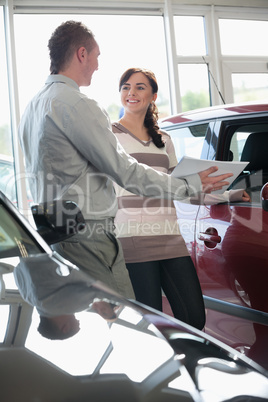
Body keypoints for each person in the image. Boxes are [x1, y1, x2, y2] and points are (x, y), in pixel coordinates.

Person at [18, 21, 232, 301]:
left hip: (55, 230)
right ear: (82, 54)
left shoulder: (33, 106)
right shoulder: (77, 104)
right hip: (88, 233)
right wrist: (190, 184)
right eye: (96, 56)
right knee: (125, 319)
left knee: (93, 315)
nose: (97, 65)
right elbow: (125, 171)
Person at [112, 67, 250, 329]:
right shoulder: (110, 136)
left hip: (170, 239)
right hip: (133, 240)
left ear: (153, 95)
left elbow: (183, 188)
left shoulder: (164, 139)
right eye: (126, 87)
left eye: (140, 87)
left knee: (194, 318)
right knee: (149, 324)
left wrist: (229, 194)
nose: (131, 92)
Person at [14, 254, 123, 340]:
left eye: (77, 323)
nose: (78, 320)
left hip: (61, 244)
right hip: (28, 244)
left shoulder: (63, 307)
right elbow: (17, 270)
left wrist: (114, 305)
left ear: (65, 328)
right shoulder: (28, 298)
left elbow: (98, 292)